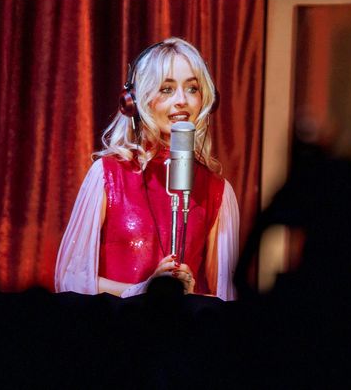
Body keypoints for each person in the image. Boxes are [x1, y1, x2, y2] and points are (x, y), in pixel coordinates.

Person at [54, 37, 239, 301]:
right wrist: (142, 292)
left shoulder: (217, 191)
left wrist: (187, 295)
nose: (182, 101)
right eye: (166, 89)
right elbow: (70, 279)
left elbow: (224, 298)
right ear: (133, 100)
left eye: (192, 88)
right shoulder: (107, 176)